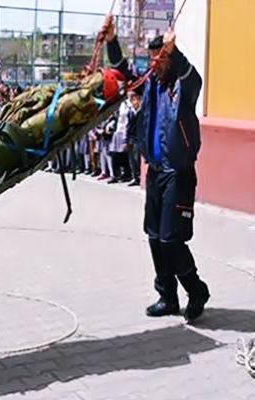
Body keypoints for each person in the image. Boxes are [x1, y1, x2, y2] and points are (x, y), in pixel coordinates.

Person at [102, 16, 209, 322]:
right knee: (153, 236)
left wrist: (175, 53)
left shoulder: (182, 85)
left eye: (160, 58)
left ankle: (196, 289)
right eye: (152, 59)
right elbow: (124, 74)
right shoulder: (150, 84)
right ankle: (167, 296)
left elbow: (193, 77)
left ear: (169, 58)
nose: (155, 64)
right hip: (156, 172)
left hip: (179, 173)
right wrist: (111, 41)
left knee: (170, 238)